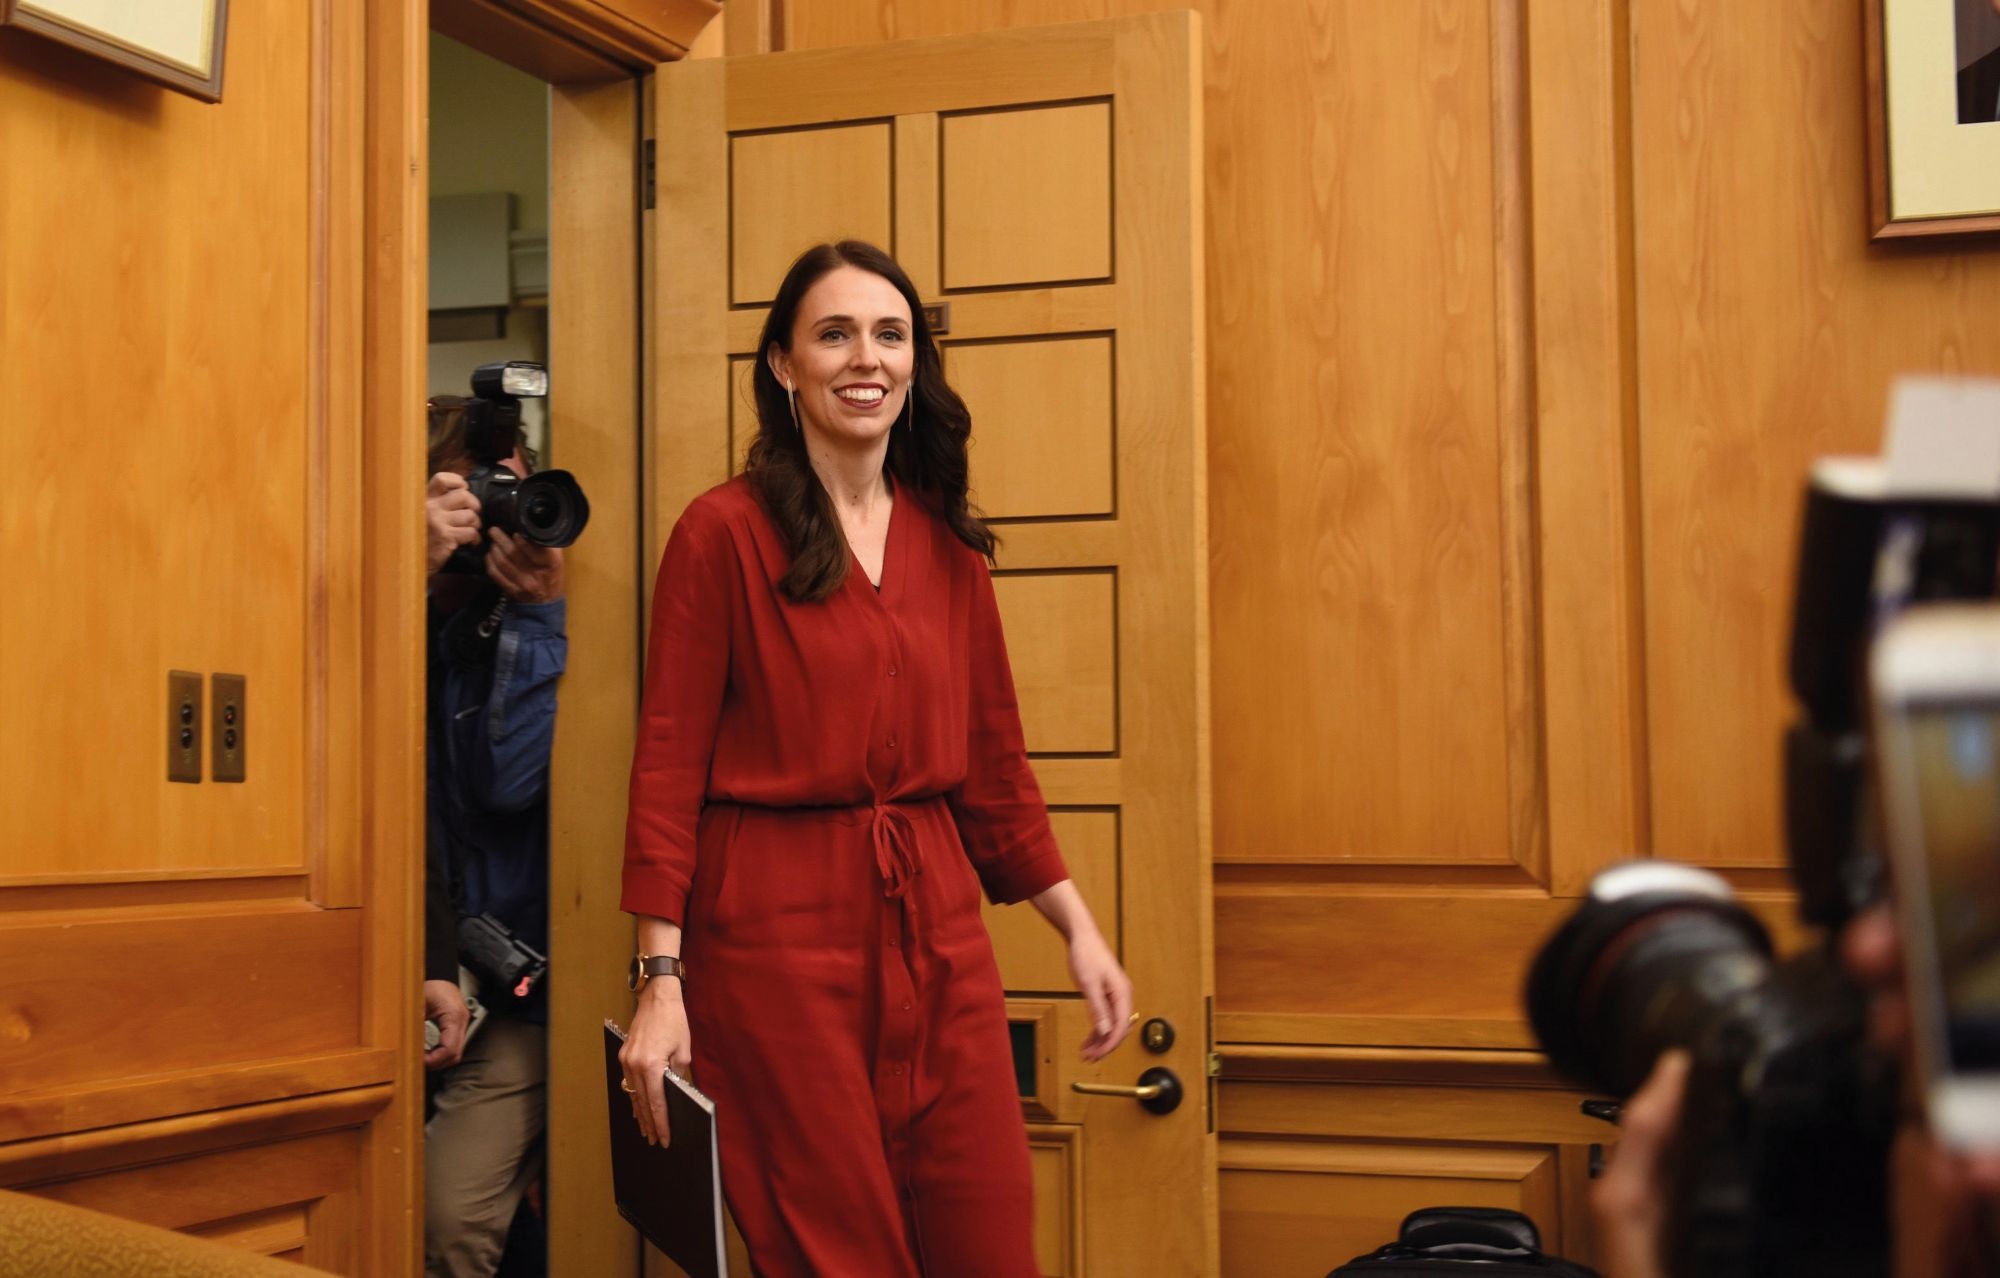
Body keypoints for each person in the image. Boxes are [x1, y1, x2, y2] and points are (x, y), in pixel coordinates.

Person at [616, 240, 1134, 1277]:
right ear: (782, 365)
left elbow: (992, 766)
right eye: (835, 332)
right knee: (833, 1253)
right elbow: (667, 767)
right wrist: (659, 980)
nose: (868, 357)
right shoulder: (719, 534)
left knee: (985, 1232)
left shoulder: (946, 545)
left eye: (890, 334)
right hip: (770, 938)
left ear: (914, 361)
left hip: (936, 929)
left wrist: (1077, 930)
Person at [421, 395, 567, 1278]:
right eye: (482, 495)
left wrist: (540, 619)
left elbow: (511, 778)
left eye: (517, 491)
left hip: (539, 986)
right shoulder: (413, 614)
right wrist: (409, 565)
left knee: (453, 1220)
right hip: (443, 976)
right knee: (466, 1227)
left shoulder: (546, 613)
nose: (508, 516)